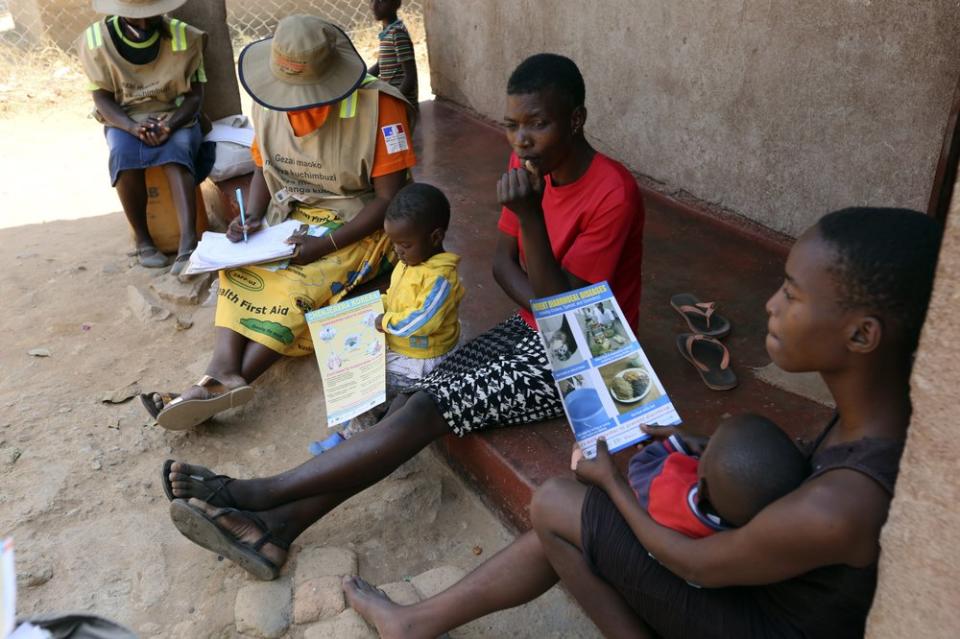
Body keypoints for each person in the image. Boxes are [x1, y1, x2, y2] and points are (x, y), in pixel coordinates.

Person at [338, 207, 941, 639]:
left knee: (559, 503)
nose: (770, 305)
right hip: (761, 585)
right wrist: (694, 448)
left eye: (792, 294)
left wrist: (612, 484)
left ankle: (416, 623)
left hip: (756, 618)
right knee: (584, 519)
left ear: (862, 335)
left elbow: (698, 565)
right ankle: (417, 623)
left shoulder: (844, 503)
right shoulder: (876, 420)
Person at [162, 53, 646, 580]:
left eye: (538, 124)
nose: (521, 141)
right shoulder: (526, 168)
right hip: (536, 327)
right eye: (511, 126)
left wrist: (531, 223)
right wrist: (538, 289)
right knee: (414, 402)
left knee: (423, 410)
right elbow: (503, 266)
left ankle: (255, 494)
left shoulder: (611, 193)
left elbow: (570, 315)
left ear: (575, 120)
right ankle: (273, 531)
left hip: (592, 355)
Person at [141, 16, 416, 430]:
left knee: (296, 286)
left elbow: (390, 200)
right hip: (292, 215)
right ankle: (220, 370)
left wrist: (326, 246)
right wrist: (251, 217)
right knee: (238, 265)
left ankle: (216, 389)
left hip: (359, 223)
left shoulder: (381, 107)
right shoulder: (269, 99)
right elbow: (262, 169)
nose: (291, 102)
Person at [76, 0, 211, 273]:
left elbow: (195, 97)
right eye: (133, 18)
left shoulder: (186, 36)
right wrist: (130, 127)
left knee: (179, 150)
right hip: (124, 117)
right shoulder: (94, 40)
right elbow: (101, 97)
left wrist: (170, 126)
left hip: (174, 116)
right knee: (123, 156)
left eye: (150, 17)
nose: (142, 24)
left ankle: (188, 243)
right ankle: (143, 240)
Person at [338, 182, 464, 441]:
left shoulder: (440, 280)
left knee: (370, 382)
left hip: (422, 357)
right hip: (403, 345)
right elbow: (394, 296)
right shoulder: (410, 262)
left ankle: (352, 439)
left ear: (435, 238)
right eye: (394, 244)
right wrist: (374, 307)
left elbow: (420, 322)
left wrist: (386, 321)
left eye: (404, 245)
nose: (397, 251)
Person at [625, 414, 806, 537]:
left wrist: (678, 443)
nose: (705, 444)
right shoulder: (758, 532)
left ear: (702, 489)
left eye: (708, 449)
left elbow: (639, 467)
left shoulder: (672, 496)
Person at [369, 0, 418, 109]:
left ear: (396, 4)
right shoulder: (387, 32)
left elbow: (410, 77)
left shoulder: (397, 33)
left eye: (381, 1)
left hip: (403, 104)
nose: (374, 5)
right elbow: (379, 66)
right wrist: (359, 80)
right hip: (393, 97)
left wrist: (394, 102)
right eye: (372, 0)